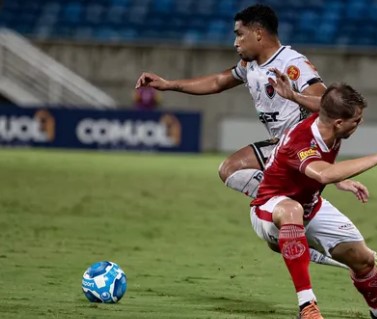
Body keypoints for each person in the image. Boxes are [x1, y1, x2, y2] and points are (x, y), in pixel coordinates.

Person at [135, 4, 345, 269]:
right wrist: (169, 84)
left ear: (258, 33)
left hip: (303, 148)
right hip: (281, 146)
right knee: (268, 228)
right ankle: (293, 214)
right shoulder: (250, 65)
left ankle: (292, 207)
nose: (235, 43)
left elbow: (327, 103)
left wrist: (293, 95)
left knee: (232, 168)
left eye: (239, 34)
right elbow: (218, 82)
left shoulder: (291, 64)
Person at [250, 82, 377, 319]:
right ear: (339, 123)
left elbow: (320, 107)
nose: (359, 123)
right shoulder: (301, 140)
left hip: (310, 206)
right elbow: (322, 173)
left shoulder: (327, 121)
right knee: (293, 209)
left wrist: (293, 95)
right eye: (356, 120)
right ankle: (307, 307)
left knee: (363, 260)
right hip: (270, 209)